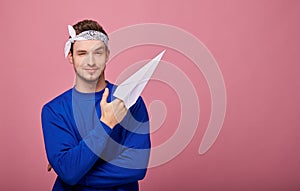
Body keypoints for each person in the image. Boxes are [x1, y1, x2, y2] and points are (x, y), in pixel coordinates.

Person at [41, 19, 151, 191]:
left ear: (107, 54)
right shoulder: (54, 111)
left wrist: (74, 171)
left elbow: (136, 166)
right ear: (71, 57)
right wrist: (106, 125)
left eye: (98, 53)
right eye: (82, 53)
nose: (90, 62)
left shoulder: (130, 101)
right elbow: (69, 171)